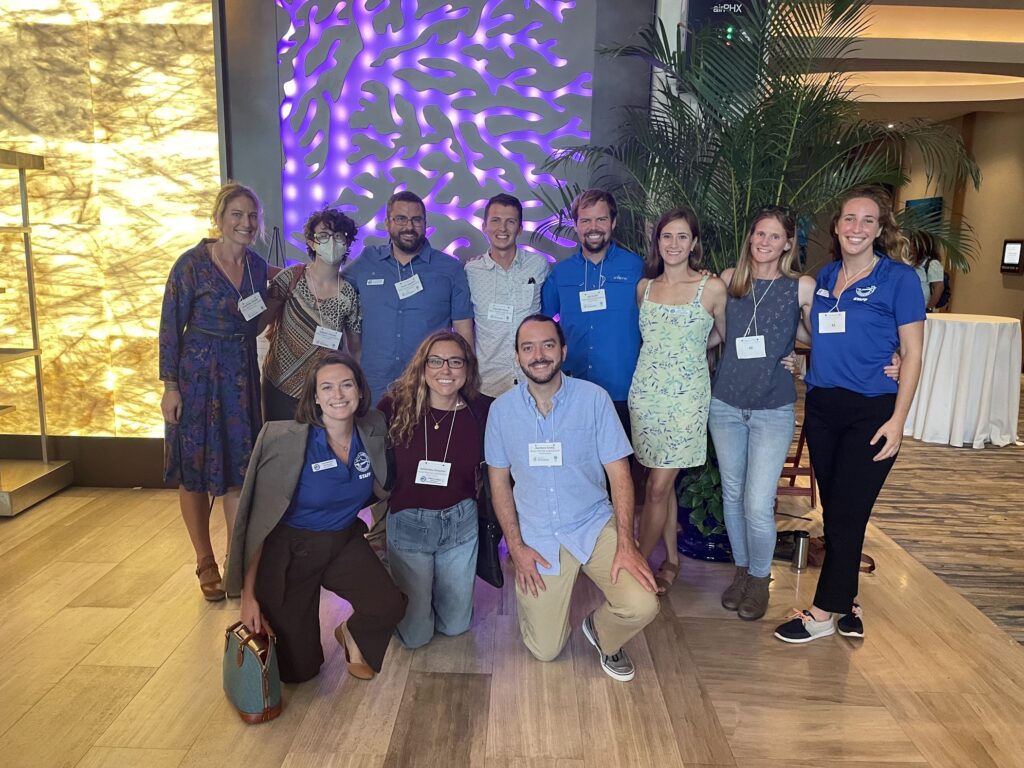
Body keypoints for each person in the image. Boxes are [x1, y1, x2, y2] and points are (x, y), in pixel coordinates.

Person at [774, 187, 924, 644]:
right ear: (836, 227)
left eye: (867, 221)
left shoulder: (899, 279)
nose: (856, 228)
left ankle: (821, 613)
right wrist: (796, 357)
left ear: (879, 230)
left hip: (872, 410)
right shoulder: (825, 276)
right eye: (849, 220)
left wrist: (898, 420)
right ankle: (849, 600)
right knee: (839, 508)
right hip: (823, 406)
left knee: (848, 511)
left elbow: (914, 353)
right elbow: (818, 334)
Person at [485, 315, 659, 682]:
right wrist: (515, 547)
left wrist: (626, 542)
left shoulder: (593, 399)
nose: (539, 355)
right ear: (517, 357)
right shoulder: (501, 412)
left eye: (548, 345)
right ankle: (545, 615)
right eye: (528, 347)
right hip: (538, 536)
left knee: (642, 603)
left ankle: (602, 632)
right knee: (545, 651)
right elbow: (498, 483)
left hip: (592, 525)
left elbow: (619, 475)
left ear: (563, 350)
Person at [225, 353, 406, 682]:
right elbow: (257, 525)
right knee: (298, 672)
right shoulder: (282, 440)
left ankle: (350, 633)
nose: (338, 395)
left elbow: (385, 482)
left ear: (360, 391)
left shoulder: (373, 427)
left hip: (342, 540)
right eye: (327, 387)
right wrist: (248, 598)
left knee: (389, 605)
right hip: (289, 552)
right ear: (314, 396)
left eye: (346, 385)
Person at [159, 182, 269, 601]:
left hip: (240, 378)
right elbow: (170, 328)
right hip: (197, 378)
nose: (245, 223)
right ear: (220, 218)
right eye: (237, 215)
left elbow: (257, 318)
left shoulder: (258, 268)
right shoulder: (191, 265)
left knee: (239, 470)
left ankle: (232, 560)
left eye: (252, 216)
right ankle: (204, 559)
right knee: (195, 469)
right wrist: (170, 387)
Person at [709, 206, 816, 618]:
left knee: (757, 501)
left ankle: (760, 578)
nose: (764, 242)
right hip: (726, 404)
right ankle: (742, 573)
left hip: (772, 407)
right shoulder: (727, 281)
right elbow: (716, 333)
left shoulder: (800, 287)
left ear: (788, 242)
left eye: (774, 236)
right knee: (732, 496)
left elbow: (818, 335)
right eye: (758, 234)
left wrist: (803, 361)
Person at [629, 208, 727, 595]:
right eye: (667, 236)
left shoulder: (712, 287)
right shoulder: (645, 288)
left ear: (694, 243)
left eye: (682, 236)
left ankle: (634, 562)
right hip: (647, 395)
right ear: (657, 242)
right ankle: (671, 559)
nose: (674, 244)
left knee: (655, 488)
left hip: (686, 398)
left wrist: (691, 353)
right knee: (660, 484)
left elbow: (727, 337)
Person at [376, 332, 488, 648]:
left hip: (460, 524)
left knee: (455, 627)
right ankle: (399, 581)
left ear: (467, 368)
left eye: (455, 362)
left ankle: (431, 594)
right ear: (422, 367)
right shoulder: (394, 406)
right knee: (415, 638)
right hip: (409, 524)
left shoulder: (481, 411)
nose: (445, 370)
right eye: (435, 361)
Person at [345, 191, 474, 403]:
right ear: (387, 223)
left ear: (425, 223)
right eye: (401, 219)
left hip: (430, 386)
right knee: (375, 437)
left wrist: (465, 380)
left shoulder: (450, 269)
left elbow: (464, 330)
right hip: (374, 386)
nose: (409, 227)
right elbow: (332, 287)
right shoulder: (368, 261)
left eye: (416, 220)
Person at [541, 189, 644, 436]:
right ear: (576, 225)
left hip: (622, 390)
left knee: (620, 470)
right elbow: (542, 322)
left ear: (613, 223)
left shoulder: (636, 267)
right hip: (572, 389)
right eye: (585, 220)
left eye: (601, 219)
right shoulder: (561, 273)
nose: (593, 227)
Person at [261, 208, 362, 420]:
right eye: (323, 236)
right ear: (311, 242)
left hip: (324, 390)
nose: (331, 242)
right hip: (281, 385)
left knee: (320, 451)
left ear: (347, 242)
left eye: (338, 236)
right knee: (282, 448)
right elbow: (260, 324)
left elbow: (355, 349)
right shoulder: (291, 278)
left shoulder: (349, 294)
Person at [465, 193, 551, 399]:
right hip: (487, 384)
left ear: (520, 228)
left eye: (510, 222)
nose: (502, 229)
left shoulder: (539, 266)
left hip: (532, 382)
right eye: (495, 221)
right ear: (484, 226)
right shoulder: (471, 272)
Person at [910, 231, 945, 312]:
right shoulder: (911, 262)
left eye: (912, 241)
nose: (910, 244)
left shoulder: (932, 264)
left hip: (923, 309)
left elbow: (939, 287)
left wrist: (928, 308)